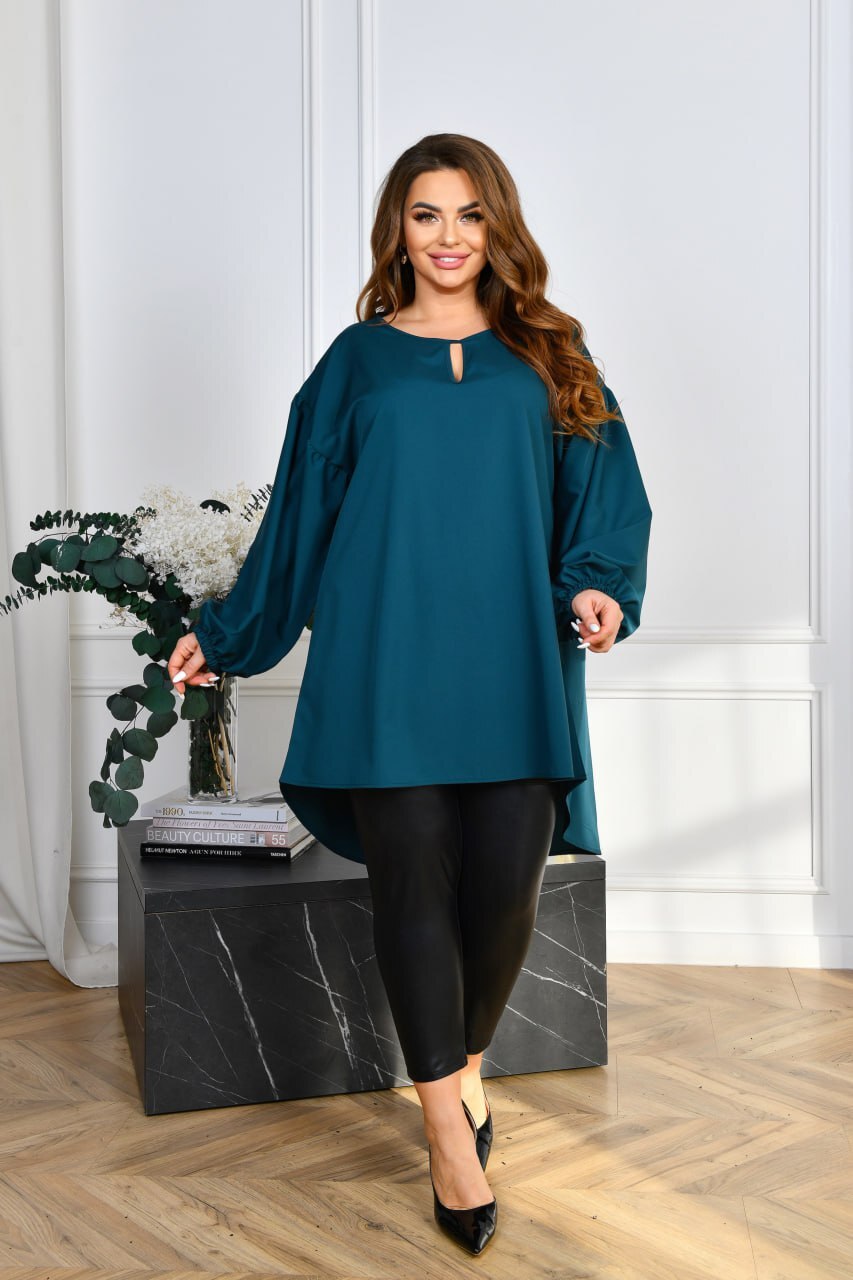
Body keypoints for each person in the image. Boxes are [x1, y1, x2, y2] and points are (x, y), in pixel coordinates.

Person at [167, 133, 652, 1256]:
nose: (448, 237)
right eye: (426, 214)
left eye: (469, 214)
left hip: (514, 662)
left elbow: (604, 496)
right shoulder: (356, 363)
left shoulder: (550, 353)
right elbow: (298, 518)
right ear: (398, 228)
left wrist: (598, 587)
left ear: (498, 226)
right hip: (383, 660)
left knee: (505, 893)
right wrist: (228, 635)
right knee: (413, 891)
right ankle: (446, 1131)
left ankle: (460, 1066)